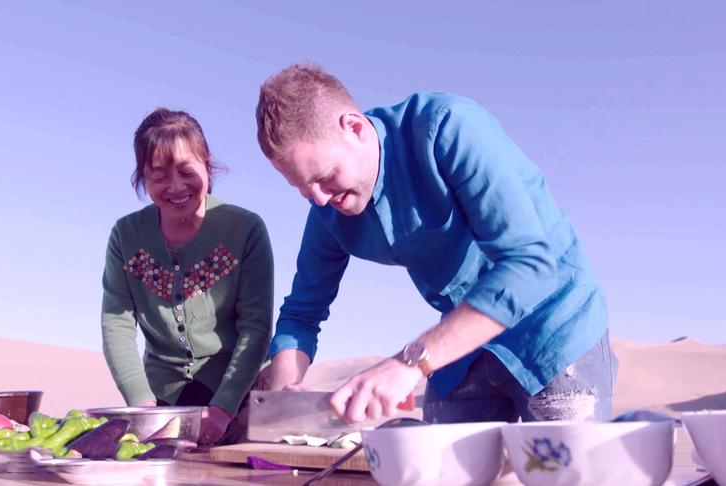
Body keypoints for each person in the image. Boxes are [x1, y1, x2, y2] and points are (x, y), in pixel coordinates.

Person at [254, 63, 616, 425]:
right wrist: (284, 397)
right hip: (461, 345)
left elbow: (529, 267)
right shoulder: (326, 207)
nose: (317, 199)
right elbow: (302, 313)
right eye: (302, 188)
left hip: (552, 328)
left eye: (326, 177)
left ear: (355, 128)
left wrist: (410, 362)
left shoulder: (448, 127)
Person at [101, 108, 273, 445]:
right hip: (161, 400)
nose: (176, 186)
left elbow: (255, 326)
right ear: (143, 177)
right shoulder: (125, 236)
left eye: (186, 170)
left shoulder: (246, 230)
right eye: (159, 175)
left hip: (238, 396)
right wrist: (142, 405)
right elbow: (117, 325)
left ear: (206, 165)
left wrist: (223, 409)